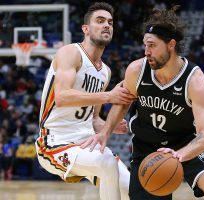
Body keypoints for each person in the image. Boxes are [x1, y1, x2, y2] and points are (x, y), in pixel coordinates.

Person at [84, 6, 204, 200]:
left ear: (171, 44)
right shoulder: (136, 70)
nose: (146, 51)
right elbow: (122, 103)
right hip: (147, 148)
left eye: (152, 45)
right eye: (145, 45)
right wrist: (105, 132)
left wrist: (178, 155)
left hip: (185, 143)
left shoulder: (194, 80)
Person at [35, 2, 134, 200]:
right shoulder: (70, 53)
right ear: (86, 29)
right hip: (55, 142)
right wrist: (108, 96)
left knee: (131, 188)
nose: (107, 25)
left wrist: (109, 125)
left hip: (86, 142)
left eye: (110, 22)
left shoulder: (105, 72)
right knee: (107, 162)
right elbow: (62, 97)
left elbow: (93, 118)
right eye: (100, 21)